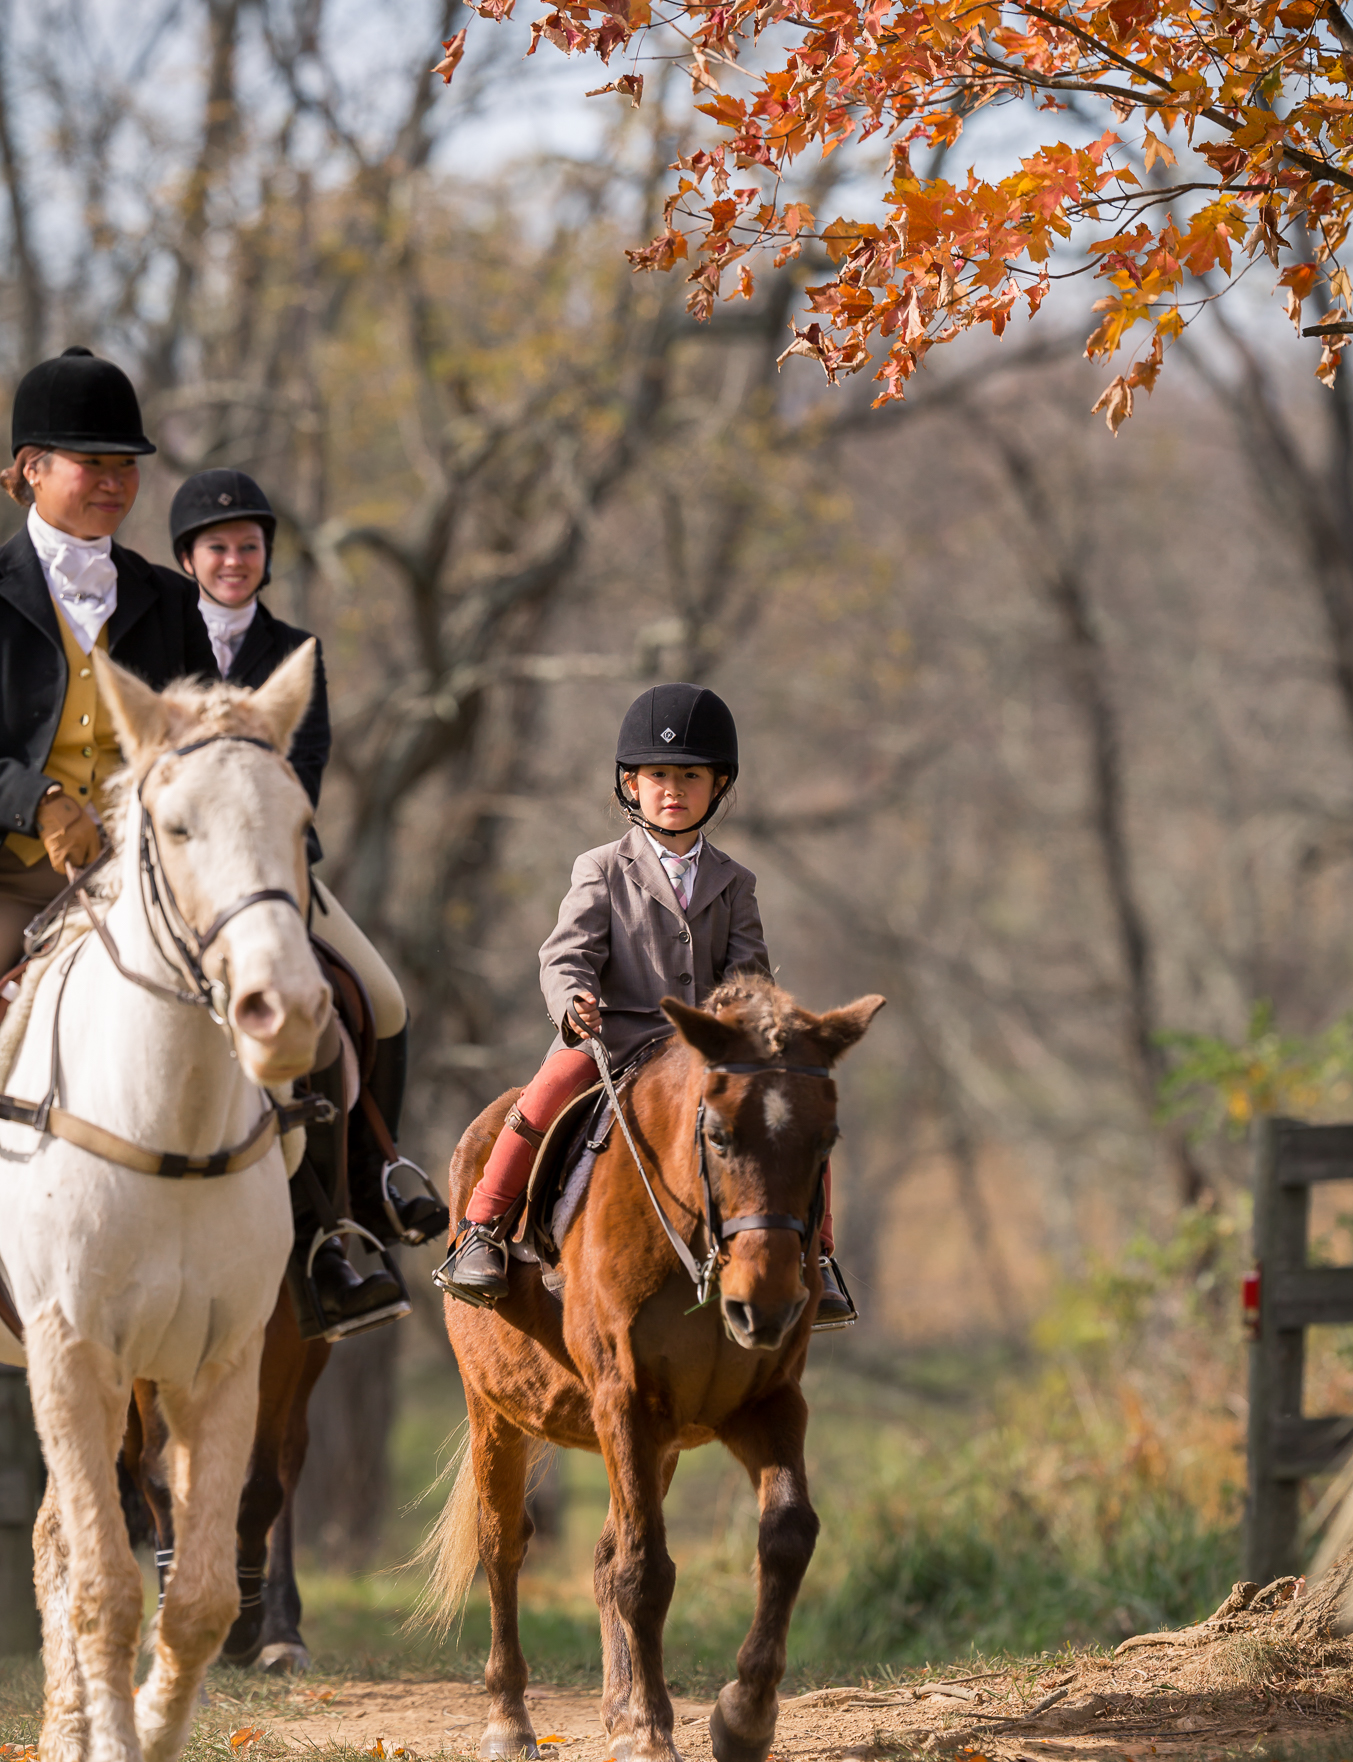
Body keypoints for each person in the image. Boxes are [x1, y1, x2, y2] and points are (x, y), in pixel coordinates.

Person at [436, 681, 858, 1328]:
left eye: (689, 776)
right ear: (629, 786)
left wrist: (750, 1027)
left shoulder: (735, 882)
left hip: (710, 1051)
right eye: (656, 775)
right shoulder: (600, 868)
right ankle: (482, 1231)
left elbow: (749, 976)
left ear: (717, 786)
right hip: (614, 1038)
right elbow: (566, 953)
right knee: (543, 1095)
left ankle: (818, 1256)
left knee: (793, 1111)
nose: (672, 788)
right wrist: (572, 1000)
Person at [168, 470, 448, 1341]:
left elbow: (310, 759)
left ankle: (362, 1200)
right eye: (216, 546)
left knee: (385, 999)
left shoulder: (298, 650)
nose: (233, 560)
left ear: (266, 558)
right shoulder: (149, 638)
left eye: (248, 546)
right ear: (187, 558)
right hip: (176, 874)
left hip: (275, 871)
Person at [0, 346, 213, 975]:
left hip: (154, 877)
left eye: (126, 465)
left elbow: (205, 737)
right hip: (15, 880)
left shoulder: (170, 598)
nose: (115, 482)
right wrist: (37, 800)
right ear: (32, 468)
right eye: (92, 464)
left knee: (362, 991)